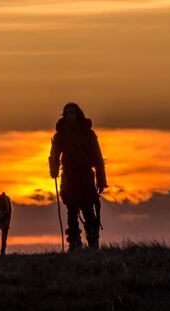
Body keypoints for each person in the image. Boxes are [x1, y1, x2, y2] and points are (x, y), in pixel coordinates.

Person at [49, 103, 107, 251]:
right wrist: (54, 169)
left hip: (86, 178)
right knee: (72, 213)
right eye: (67, 113)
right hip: (69, 178)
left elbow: (98, 158)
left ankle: (93, 243)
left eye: (72, 113)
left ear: (78, 114)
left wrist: (101, 180)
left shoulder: (88, 134)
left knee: (89, 212)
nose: (70, 116)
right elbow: (54, 154)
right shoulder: (60, 134)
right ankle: (75, 245)